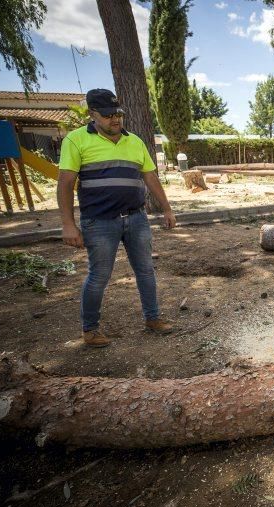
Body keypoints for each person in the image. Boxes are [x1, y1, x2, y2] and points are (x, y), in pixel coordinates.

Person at [57, 88, 176, 348]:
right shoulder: (76, 140)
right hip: (99, 222)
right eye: (109, 115)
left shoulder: (134, 141)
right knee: (99, 275)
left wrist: (166, 208)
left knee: (145, 270)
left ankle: (152, 318)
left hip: (136, 219)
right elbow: (65, 183)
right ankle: (90, 330)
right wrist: (68, 224)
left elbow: (150, 177)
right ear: (92, 114)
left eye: (118, 114)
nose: (115, 120)